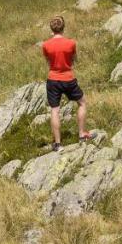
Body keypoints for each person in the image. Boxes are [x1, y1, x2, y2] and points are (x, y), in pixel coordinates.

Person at [41, 15, 89, 151]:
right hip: (68, 78)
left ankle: (57, 144)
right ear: (63, 28)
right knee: (82, 102)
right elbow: (73, 59)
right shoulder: (71, 43)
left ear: (52, 29)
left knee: (55, 110)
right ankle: (81, 134)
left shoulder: (45, 45)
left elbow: (48, 61)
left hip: (53, 79)